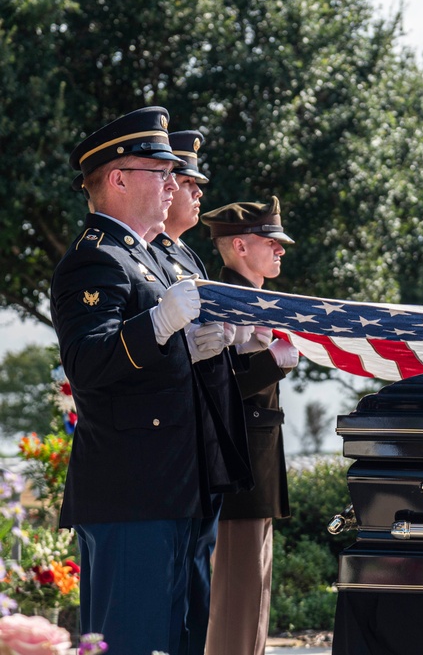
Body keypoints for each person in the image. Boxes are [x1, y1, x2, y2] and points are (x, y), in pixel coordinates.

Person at [51, 107, 247, 654]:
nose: (172, 183)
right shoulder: (95, 261)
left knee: (179, 639)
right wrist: (159, 324)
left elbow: (163, 364)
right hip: (132, 490)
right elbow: (89, 364)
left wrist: (206, 347)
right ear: (117, 179)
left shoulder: (153, 259)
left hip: (176, 481)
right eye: (159, 172)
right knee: (134, 642)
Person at [148, 130, 253, 654]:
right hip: (168, 441)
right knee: (171, 589)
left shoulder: (186, 257)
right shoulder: (153, 257)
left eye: (191, 183)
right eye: (185, 181)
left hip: (202, 438)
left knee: (194, 585)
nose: (192, 193)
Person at [202, 196, 299, 655]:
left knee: (253, 600)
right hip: (236, 468)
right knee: (237, 602)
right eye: (270, 242)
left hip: (254, 468)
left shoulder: (252, 302)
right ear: (239, 245)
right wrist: (272, 365)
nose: (280, 250)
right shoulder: (225, 303)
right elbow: (215, 387)